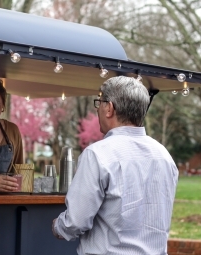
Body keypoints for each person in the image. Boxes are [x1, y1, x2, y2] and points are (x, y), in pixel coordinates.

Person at [52, 76, 178, 255]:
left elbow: (76, 221)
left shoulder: (97, 154)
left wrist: (58, 226)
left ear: (109, 108)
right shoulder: (164, 155)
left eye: (100, 103)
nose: (98, 110)